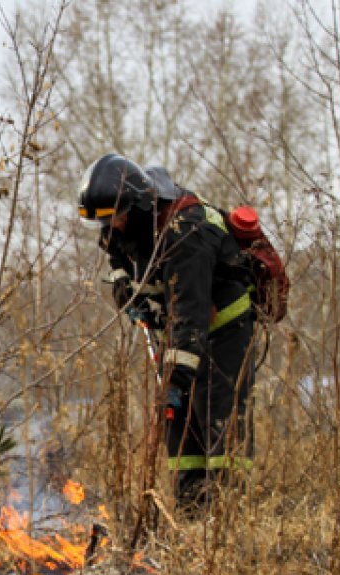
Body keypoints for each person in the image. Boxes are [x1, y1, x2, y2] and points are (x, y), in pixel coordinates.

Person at [78, 153, 256, 517]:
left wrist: (176, 378)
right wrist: (129, 295)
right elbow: (119, 267)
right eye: (107, 222)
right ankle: (192, 518)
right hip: (179, 332)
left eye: (119, 218)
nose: (116, 227)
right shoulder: (124, 226)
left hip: (225, 330)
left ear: (139, 205)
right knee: (181, 428)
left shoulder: (185, 231)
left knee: (217, 419)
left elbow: (190, 312)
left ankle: (229, 521)